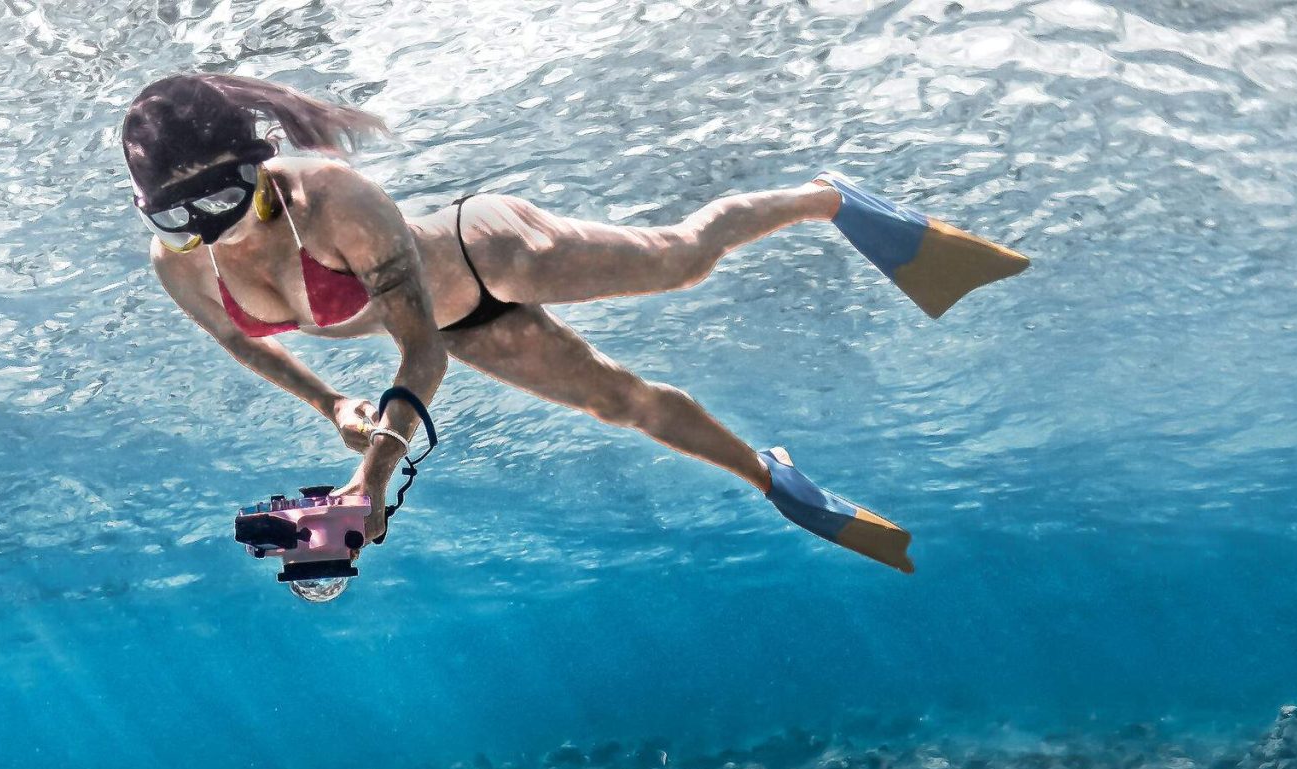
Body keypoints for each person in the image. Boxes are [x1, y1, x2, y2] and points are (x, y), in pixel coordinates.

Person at [123, 73, 1028, 574]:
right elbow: (238, 342)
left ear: (258, 160)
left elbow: (420, 347)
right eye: (178, 215)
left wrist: (367, 481)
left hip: (487, 254)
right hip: (472, 327)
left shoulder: (334, 200)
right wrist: (330, 408)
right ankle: (774, 479)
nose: (213, 229)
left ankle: (828, 198)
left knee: (682, 259)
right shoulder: (180, 269)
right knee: (616, 402)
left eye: (226, 196)